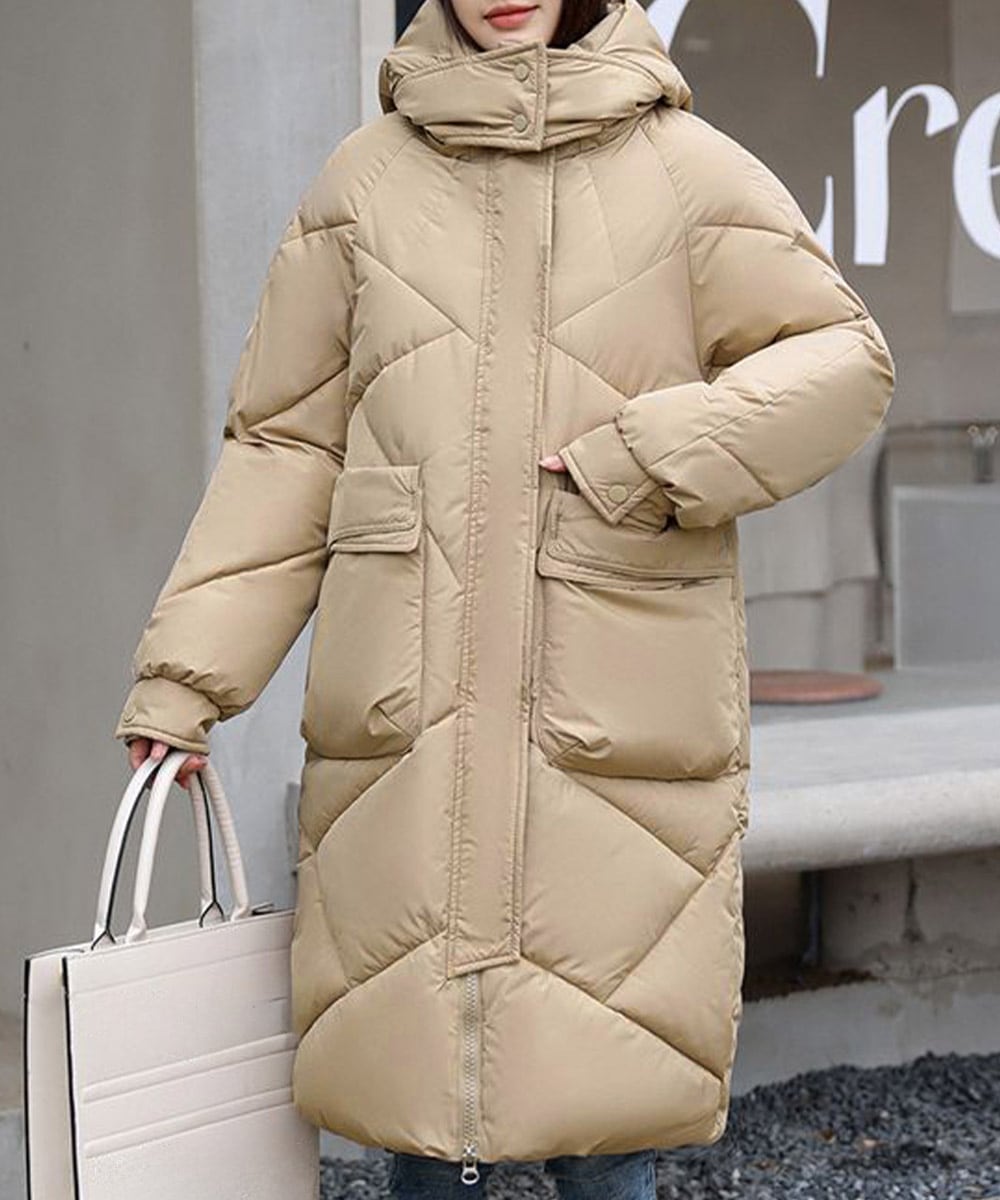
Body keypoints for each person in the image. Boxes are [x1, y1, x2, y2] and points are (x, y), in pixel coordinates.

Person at [116, 0, 895, 1197]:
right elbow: (286, 450)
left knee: (605, 1105)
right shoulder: (362, 183)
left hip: (609, 713)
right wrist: (187, 678)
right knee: (415, 1098)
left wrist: (646, 457)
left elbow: (842, 364)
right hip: (406, 715)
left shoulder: (686, 172)